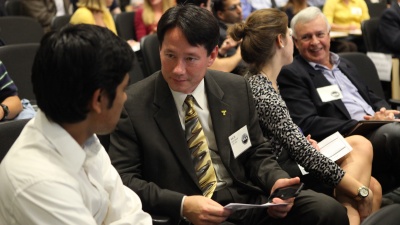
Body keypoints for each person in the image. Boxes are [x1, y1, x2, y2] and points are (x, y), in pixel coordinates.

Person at [108, 4, 350, 225]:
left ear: (212, 56)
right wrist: (182, 204)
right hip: (192, 212)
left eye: (190, 59)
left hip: (248, 198)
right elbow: (124, 179)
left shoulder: (235, 88)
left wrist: (275, 181)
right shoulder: (134, 104)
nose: (178, 69)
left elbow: (256, 151)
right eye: (169, 55)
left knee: (327, 210)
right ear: (159, 48)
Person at [228, 8, 381, 224]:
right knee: (365, 176)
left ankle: (351, 209)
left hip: (288, 161)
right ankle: (350, 212)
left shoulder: (264, 81)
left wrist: (302, 143)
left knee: (371, 179)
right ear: (281, 41)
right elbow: (302, 154)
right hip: (279, 173)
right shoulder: (261, 91)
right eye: (292, 35)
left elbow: (288, 140)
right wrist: (359, 190)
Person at [0, 24, 152, 225]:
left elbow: (129, 210)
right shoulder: (36, 182)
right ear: (98, 100)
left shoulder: (83, 133)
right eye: (123, 89)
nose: (125, 98)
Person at [278, 6, 400, 201]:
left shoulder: (345, 63)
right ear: (296, 42)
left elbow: (371, 97)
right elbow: (308, 122)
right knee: (396, 134)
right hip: (351, 138)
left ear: (329, 35)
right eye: (307, 37)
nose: (315, 42)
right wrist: (364, 123)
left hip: (379, 125)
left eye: (319, 34)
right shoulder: (293, 73)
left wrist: (384, 112)